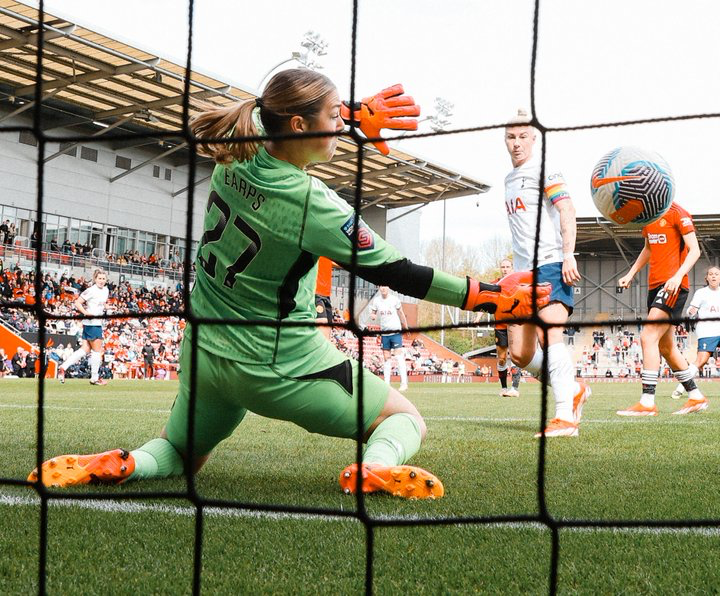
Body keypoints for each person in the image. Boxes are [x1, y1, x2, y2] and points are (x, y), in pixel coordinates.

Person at [30, 71, 549, 498]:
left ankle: (129, 464)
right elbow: (395, 271)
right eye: (333, 116)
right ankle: (376, 467)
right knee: (405, 419)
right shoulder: (310, 202)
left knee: (180, 456)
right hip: (277, 364)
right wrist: (487, 297)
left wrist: (346, 116)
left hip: (204, 352)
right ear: (300, 124)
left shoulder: (241, 148)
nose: (340, 123)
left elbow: (270, 106)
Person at [503, 109, 590, 437]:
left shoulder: (545, 171)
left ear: (534, 139)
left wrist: (569, 255)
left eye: (523, 136)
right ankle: (574, 388)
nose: (516, 143)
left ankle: (565, 417)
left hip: (552, 264)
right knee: (521, 354)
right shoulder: (509, 180)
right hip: (523, 276)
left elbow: (567, 209)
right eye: (511, 137)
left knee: (550, 334)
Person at [616, 202, 706, 416]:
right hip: (655, 285)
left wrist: (677, 276)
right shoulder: (647, 217)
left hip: (673, 285)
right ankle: (696, 397)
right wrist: (631, 274)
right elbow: (648, 248)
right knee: (667, 348)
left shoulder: (678, 213)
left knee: (648, 336)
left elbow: (695, 250)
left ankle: (647, 402)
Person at [671, 266, 720, 398]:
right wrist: (691, 311)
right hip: (707, 331)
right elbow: (690, 310)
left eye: (716, 274)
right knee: (701, 361)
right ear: (707, 278)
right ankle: (681, 387)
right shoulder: (701, 293)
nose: (714, 276)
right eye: (711, 274)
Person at [56, 269, 110, 386]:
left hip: (95, 322)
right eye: (99, 278)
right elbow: (77, 302)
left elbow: (101, 303)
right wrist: (86, 312)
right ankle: (94, 378)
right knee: (97, 351)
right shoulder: (90, 290)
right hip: (92, 323)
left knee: (84, 349)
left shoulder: (106, 290)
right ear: (95, 279)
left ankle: (63, 367)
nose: (101, 281)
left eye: (103, 278)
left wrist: (107, 307)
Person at [367, 285, 410, 392]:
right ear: (379, 287)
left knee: (398, 356)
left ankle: (404, 383)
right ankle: (387, 384)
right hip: (384, 333)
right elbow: (373, 312)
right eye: (381, 286)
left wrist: (405, 326)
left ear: (388, 287)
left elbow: (401, 313)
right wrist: (372, 315)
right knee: (386, 357)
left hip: (395, 332)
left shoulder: (394, 300)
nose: (383, 288)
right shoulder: (376, 301)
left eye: (385, 286)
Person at [494, 257, 518, 397]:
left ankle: (515, 388)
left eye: (507, 267)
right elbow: (484, 298)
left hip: (516, 325)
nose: (505, 269)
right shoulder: (495, 284)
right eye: (503, 267)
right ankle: (504, 388)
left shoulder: (518, 284)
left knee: (516, 357)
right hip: (500, 325)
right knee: (502, 358)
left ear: (512, 268)